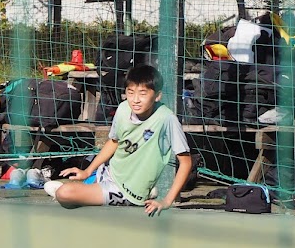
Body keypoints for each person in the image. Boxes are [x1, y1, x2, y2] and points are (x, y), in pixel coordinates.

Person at [44, 64, 193, 216]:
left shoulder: (167, 119)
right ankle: (90, 182)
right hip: (109, 172)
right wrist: (87, 171)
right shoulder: (123, 109)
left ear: (157, 95)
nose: (135, 100)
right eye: (130, 92)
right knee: (65, 187)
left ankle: (82, 191)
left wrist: (167, 201)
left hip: (128, 191)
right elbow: (114, 142)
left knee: (64, 193)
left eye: (143, 93)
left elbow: (186, 162)